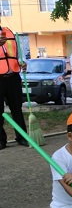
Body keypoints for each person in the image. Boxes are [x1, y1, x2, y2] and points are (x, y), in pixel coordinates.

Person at [0, 20, 28, 149]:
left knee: (17, 109)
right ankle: (1, 141)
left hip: (13, 77)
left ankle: (22, 137)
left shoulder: (9, 32)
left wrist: (22, 62)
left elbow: (16, 54)